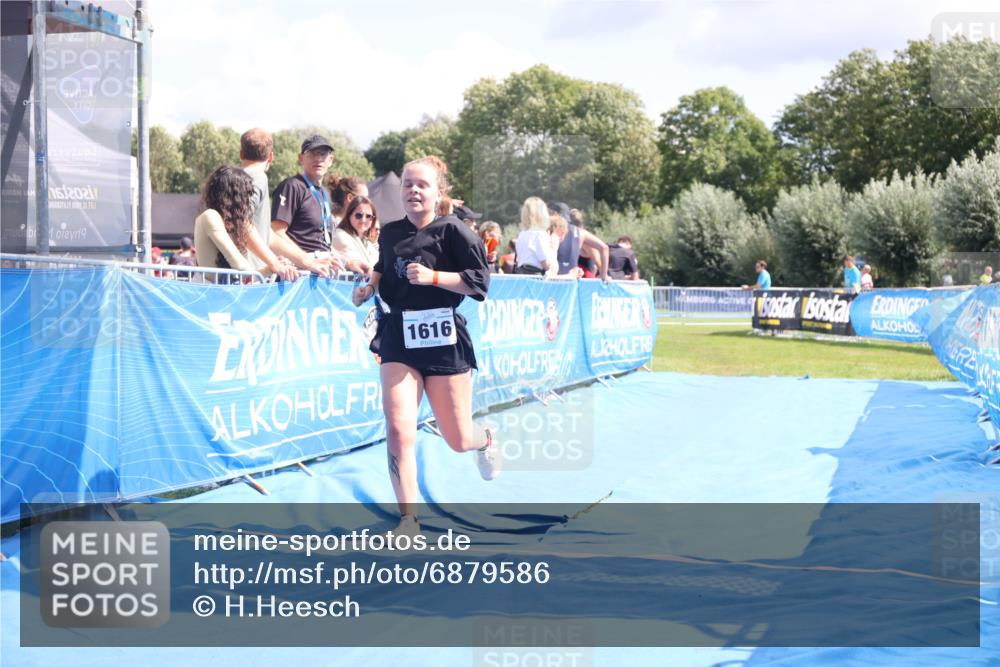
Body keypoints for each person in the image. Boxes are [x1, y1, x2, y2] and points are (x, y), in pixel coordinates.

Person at [351, 156, 500, 538]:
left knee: (457, 438)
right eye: (407, 185)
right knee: (400, 428)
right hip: (398, 335)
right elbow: (383, 265)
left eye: (422, 185)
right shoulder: (390, 232)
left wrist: (434, 277)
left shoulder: (455, 231)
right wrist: (370, 286)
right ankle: (409, 520)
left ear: (438, 193)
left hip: (444, 341)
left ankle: (485, 439)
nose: (413, 190)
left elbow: (479, 284)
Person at [270, 135, 368, 276]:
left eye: (322, 154)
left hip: (319, 271)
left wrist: (348, 262)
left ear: (330, 160)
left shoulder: (324, 193)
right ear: (301, 158)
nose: (318, 159)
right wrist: (308, 261)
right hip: (299, 274)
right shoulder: (292, 186)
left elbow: (323, 245)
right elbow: (276, 233)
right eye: (311, 153)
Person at [194, 166, 299, 283]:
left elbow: (244, 276)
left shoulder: (221, 221)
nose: (247, 202)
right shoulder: (211, 216)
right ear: (235, 196)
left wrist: (270, 268)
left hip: (220, 295)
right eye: (245, 195)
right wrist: (275, 265)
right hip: (211, 297)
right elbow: (242, 268)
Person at [549, 208, 609, 280]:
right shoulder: (581, 234)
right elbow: (604, 248)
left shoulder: (552, 233)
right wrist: (604, 275)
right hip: (573, 279)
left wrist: (603, 273)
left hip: (559, 277)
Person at [332, 195, 379, 269]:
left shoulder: (368, 243)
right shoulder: (340, 236)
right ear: (349, 216)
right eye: (358, 215)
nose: (363, 220)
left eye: (368, 216)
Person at [514, 197, 556, 275]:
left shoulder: (522, 234)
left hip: (521, 275)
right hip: (535, 278)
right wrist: (554, 248)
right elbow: (546, 264)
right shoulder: (540, 234)